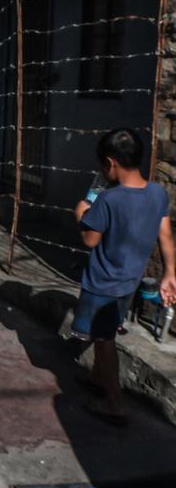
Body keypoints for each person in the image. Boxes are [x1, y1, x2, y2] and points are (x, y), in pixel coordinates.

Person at [72, 128, 176, 427]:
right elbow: (165, 235)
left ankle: (114, 405)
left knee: (103, 337)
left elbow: (90, 241)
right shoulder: (157, 192)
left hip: (103, 282)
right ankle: (97, 379)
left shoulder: (109, 200)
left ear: (110, 163)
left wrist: (80, 213)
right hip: (129, 281)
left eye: (101, 166)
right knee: (108, 327)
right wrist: (169, 273)